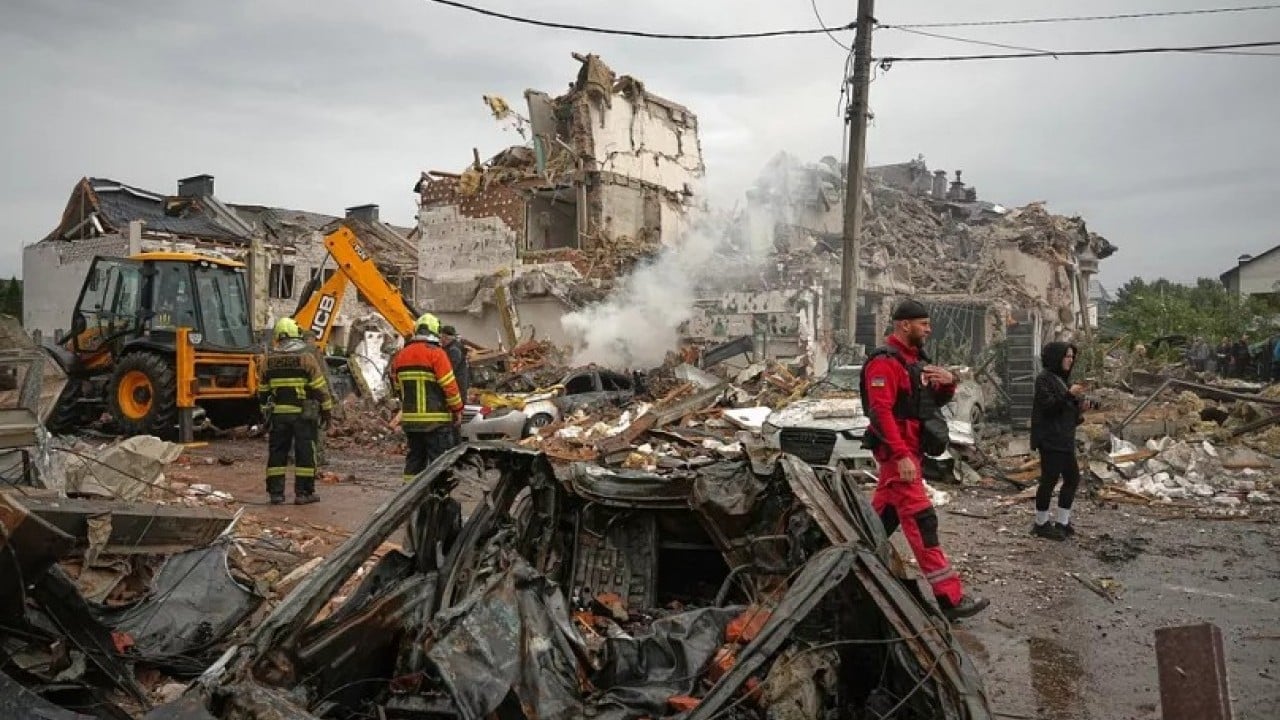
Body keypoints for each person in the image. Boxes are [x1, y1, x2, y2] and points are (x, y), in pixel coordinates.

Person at [861, 299, 989, 621]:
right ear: (904, 325)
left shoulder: (915, 361)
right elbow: (880, 413)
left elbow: (927, 402)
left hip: (910, 455)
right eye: (924, 324)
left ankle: (849, 567)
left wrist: (949, 384)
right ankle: (950, 599)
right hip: (898, 458)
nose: (929, 330)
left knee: (875, 524)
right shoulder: (884, 363)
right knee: (923, 523)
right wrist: (902, 455)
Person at [258, 317, 333, 505]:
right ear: (296, 334)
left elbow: (263, 393)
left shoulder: (267, 361)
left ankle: (276, 493)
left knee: (277, 454)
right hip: (303, 414)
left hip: (279, 415)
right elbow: (319, 387)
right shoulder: (306, 358)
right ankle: (304, 493)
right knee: (305, 453)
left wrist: (266, 416)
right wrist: (327, 411)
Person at [1029, 342, 1097, 540]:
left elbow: (1067, 413)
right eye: (1067, 356)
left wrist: (1081, 409)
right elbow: (1049, 408)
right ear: (1056, 357)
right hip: (1051, 440)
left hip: (1064, 439)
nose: (1070, 360)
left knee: (1072, 479)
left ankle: (1062, 522)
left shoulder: (1061, 380)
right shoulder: (1044, 380)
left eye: (1072, 356)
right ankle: (1041, 523)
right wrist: (1069, 395)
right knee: (1049, 481)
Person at [390, 313, 465, 484]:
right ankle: (438, 501)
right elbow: (450, 387)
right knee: (439, 465)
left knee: (414, 462)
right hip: (436, 423)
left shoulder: (401, 356)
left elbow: (397, 388)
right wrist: (458, 410)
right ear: (435, 332)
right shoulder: (437, 354)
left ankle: (408, 498)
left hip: (411, 423)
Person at [438, 324, 471, 414]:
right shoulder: (451, 347)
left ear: (447, 337)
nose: (441, 340)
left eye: (443, 337)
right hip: (457, 383)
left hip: (457, 384)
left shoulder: (454, 350)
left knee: (457, 409)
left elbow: (450, 368)